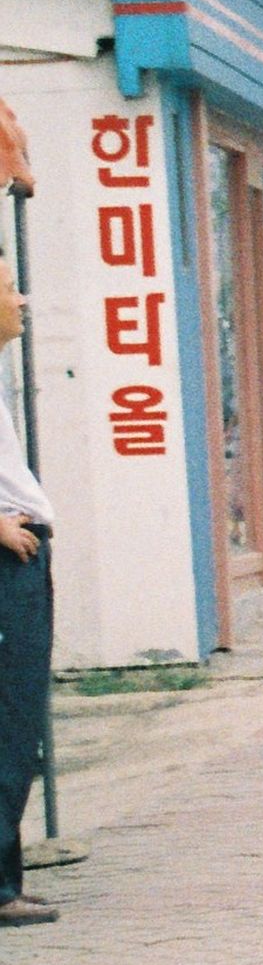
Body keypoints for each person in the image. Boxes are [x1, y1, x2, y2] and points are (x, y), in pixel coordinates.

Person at [0, 242, 56, 928]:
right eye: (10, 288)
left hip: (24, 554)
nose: (22, 300)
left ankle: (6, 878)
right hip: (7, 561)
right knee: (9, 722)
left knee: (17, 725)